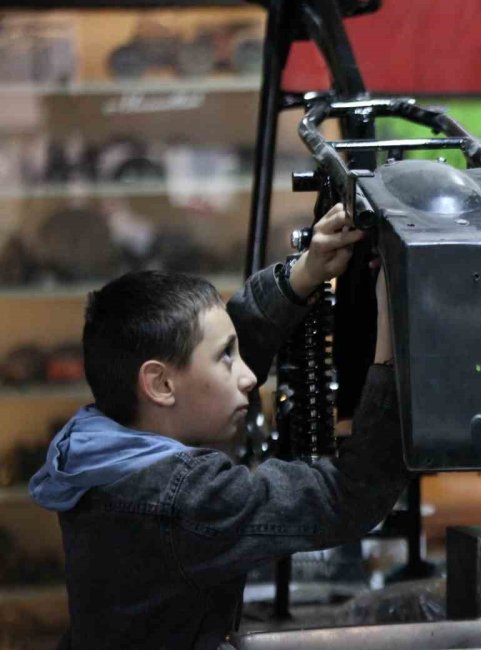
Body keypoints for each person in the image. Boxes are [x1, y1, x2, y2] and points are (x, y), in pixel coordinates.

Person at [29, 204, 408, 649]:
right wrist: (392, 344)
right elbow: (350, 494)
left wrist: (305, 273)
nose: (248, 378)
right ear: (160, 384)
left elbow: (208, 355)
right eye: (227, 357)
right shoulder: (185, 499)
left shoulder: (100, 442)